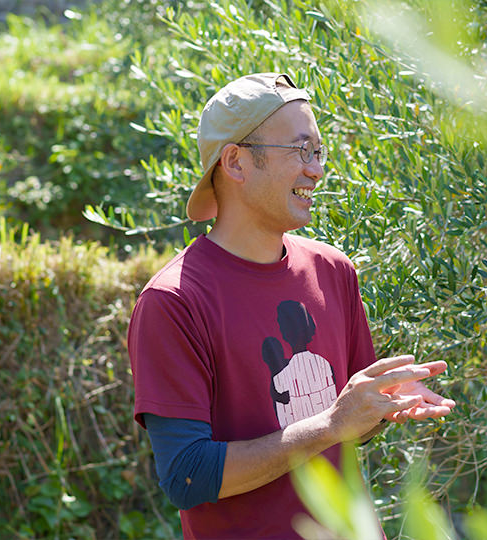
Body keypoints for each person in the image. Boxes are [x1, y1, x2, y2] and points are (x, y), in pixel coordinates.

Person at [127, 72, 456, 539]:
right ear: (236, 162)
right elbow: (186, 476)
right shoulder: (175, 301)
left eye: (318, 152)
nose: (316, 170)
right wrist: (331, 424)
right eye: (300, 151)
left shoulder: (332, 270)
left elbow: (346, 427)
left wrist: (377, 407)